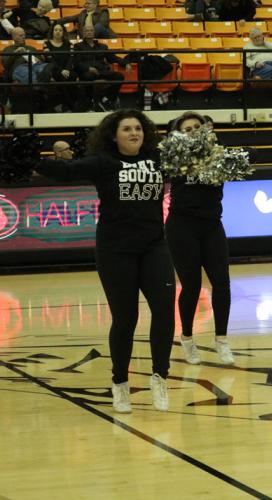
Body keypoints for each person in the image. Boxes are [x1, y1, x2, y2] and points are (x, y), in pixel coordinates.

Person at [35, 109, 176, 414]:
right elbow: (66, 171)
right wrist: (33, 159)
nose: (134, 133)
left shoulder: (159, 159)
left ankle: (160, 377)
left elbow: (196, 169)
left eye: (138, 128)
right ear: (114, 135)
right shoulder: (103, 162)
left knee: (165, 312)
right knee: (126, 319)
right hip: (116, 250)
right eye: (127, 129)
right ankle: (120, 383)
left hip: (155, 246)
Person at [165, 111, 235, 366]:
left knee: (222, 283)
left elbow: (251, 155)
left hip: (212, 226)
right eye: (186, 128)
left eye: (197, 126)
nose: (192, 130)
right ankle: (187, 338)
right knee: (191, 286)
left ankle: (222, 341)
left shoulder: (218, 155)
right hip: (181, 228)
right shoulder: (173, 158)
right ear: (178, 134)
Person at [73, 25, 130, 111]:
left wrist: (125, 63)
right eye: (87, 31)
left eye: (91, 30)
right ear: (83, 33)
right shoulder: (78, 46)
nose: (89, 32)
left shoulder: (102, 46)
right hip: (87, 72)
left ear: (94, 32)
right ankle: (90, 100)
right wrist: (88, 68)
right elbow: (77, 63)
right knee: (88, 76)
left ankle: (107, 98)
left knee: (119, 76)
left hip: (101, 71)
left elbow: (112, 58)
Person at [244, 27, 272, 108]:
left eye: (259, 36)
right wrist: (255, 63)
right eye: (255, 38)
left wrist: (266, 43)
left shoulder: (267, 44)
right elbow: (245, 61)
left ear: (262, 36)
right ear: (251, 39)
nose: (258, 39)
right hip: (260, 67)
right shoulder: (247, 47)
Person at [43, 23, 77, 112]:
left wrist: (67, 69)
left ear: (63, 32)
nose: (58, 32)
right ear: (52, 31)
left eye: (60, 30)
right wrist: (61, 70)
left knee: (72, 76)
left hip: (67, 70)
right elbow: (50, 60)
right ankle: (70, 106)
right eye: (56, 30)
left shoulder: (69, 44)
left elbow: (71, 58)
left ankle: (65, 105)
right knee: (62, 79)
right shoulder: (46, 44)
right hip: (54, 70)